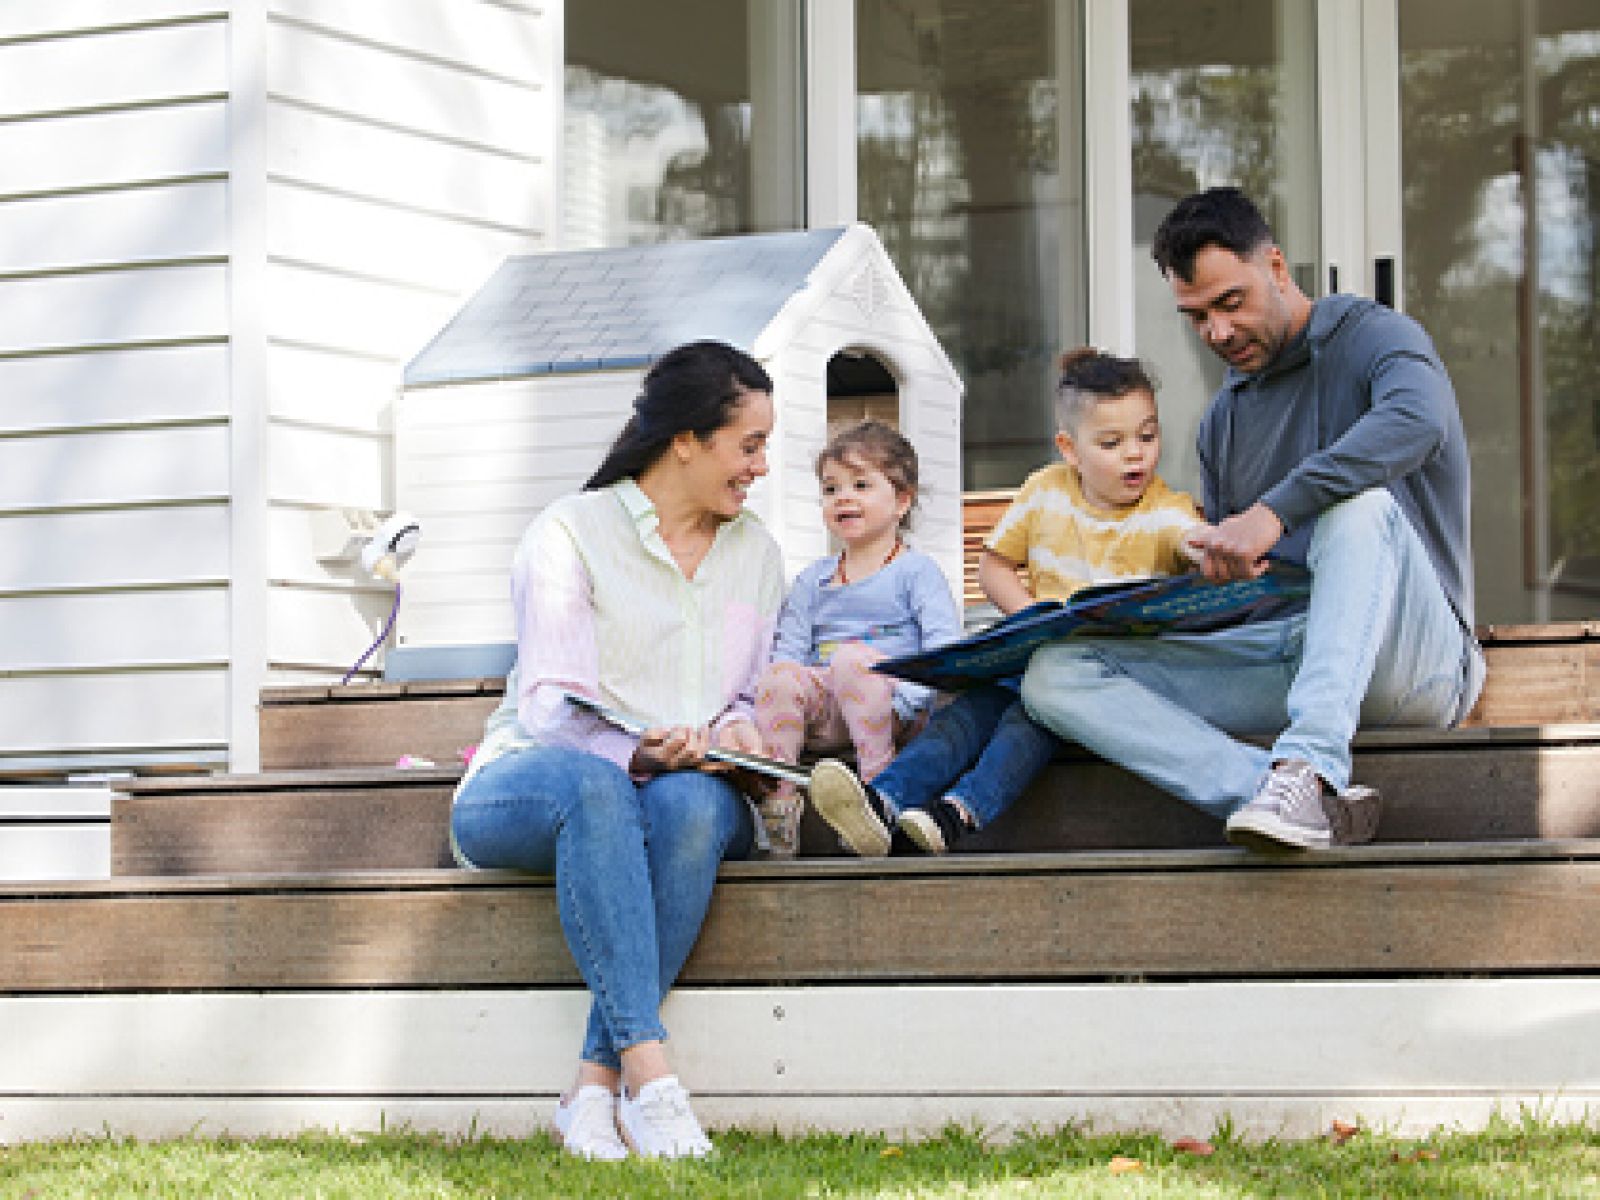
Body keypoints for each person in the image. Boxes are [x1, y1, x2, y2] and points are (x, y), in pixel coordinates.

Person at [1021, 187, 1486, 852]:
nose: (1217, 332)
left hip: (1419, 661)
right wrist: (1177, 595)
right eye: (1196, 317)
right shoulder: (1224, 423)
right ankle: (1279, 793)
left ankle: (1310, 767)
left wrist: (1273, 512)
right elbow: (1250, 596)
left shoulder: (1374, 337)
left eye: (1229, 303)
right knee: (1054, 673)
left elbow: (1420, 421)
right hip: (1294, 659)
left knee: (1358, 507)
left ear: (1274, 266)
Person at [448, 341, 785, 1161]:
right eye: (749, 445)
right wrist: (640, 752)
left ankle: (591, 1091)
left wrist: (740, 739)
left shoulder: (758, 553)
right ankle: (652, 1079)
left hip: (684, 788)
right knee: (598, 789)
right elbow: (550, 710)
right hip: (535, 788)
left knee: (694, 805)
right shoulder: (570, 531)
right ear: (686, 441)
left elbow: (745, 698)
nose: (763, 468)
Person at [807, 349, 1204, 857]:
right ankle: (884, 800)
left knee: (1032, 717)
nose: (1136, 454)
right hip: (1037, 655)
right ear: (1071, 449)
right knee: (967, 714)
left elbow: (1191, 537)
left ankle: (955, 814)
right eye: (1112, 442)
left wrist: (1212, 545)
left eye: (1147, 437)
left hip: (1105, 682)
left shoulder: (1166, 510)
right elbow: (993, 568)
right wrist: (1033, 620)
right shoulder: (1045, 492)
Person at [751, 420, 963, 857]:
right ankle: (780, 803)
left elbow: (943, 651)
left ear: (901, 500)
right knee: (779, 675)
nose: (843, 497)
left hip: (895, 710)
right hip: (830, 716)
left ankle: (873, 794)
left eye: (861, 485)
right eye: (831, 489)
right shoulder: (813, 580)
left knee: (852, 661)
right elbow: (789, 652)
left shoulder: (915, 573)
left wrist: (905, 703)